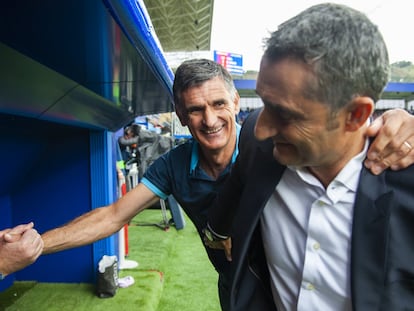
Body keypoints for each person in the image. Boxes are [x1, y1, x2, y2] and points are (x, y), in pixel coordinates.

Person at [39, 57, 413, 311]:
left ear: (236, 102)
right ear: (182, 116)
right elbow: (112, 216)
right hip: (238, 289)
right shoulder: (174, 166)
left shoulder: (270, 145)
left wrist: (396, 119)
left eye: (219, 104)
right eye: (196, 109)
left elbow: (334, 128)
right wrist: (38, 244)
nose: (210, 118)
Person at [206, 3, 414, 310]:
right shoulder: (257, 144)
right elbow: (224, 220)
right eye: (265, 103)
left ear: (356, 115)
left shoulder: (405, 179)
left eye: (285, 114)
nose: (261, 129)